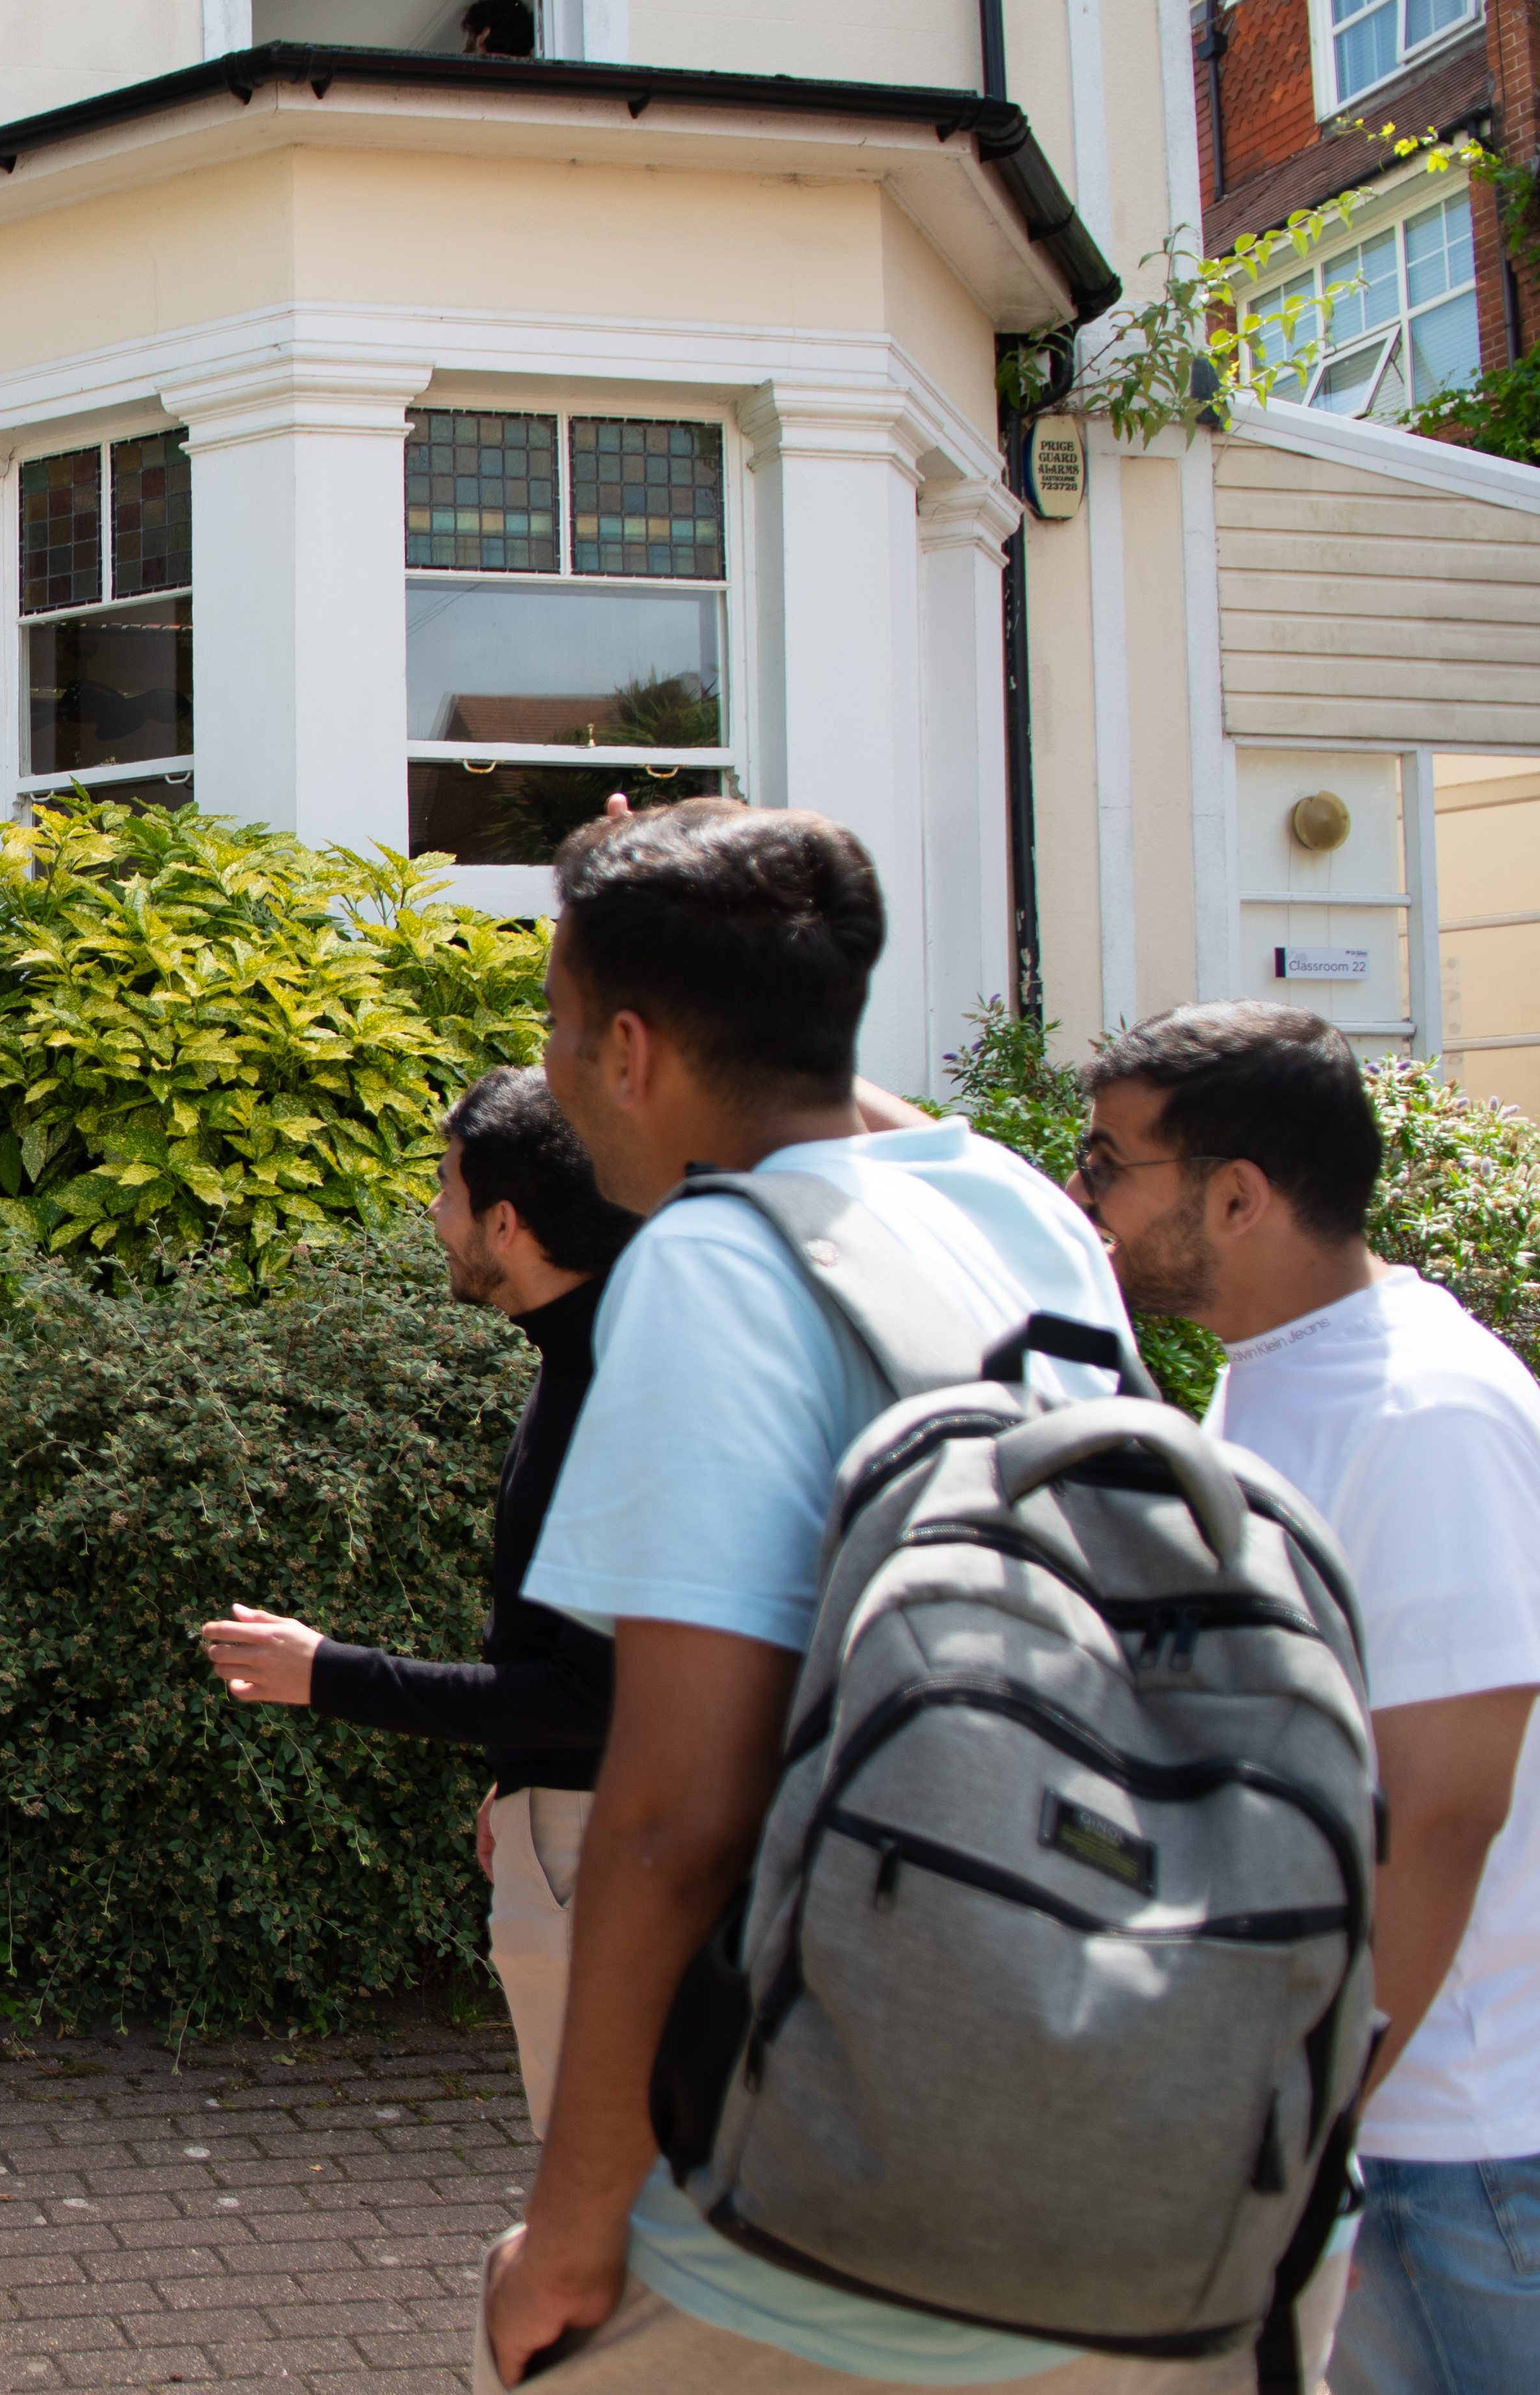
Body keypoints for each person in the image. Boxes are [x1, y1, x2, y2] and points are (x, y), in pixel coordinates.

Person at [472, 798, 1308, 2391]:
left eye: (565, 1034)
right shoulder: (1009, 1206)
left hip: (848, 2167)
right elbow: (801, 1081)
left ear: (631, 1050)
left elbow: (669, 1816)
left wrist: (574, 2230)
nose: (559, 1080)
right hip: (1126, 2082)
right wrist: (691, 885)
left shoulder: (706, 1269)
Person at [1073, 1005, 1540, 2395]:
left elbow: (1444, 1808)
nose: (1083, 1191)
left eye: (1108, 1161)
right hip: (1374, 2125)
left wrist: (1307, 2117)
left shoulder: (1425, 1411)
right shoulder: (1285, 1383)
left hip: (1453, 2145)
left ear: (1236, 1193)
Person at [201, 1064, 636, 2131]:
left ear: (504, 1220)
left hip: (597, 1849)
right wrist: (521, 1782)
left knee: (608, 2187)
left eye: (442, 1190)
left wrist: (326, 1673)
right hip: (574, 1815)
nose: (429, 1215)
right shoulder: (605, 1345)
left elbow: (591, 1693)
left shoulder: (605, 1390)